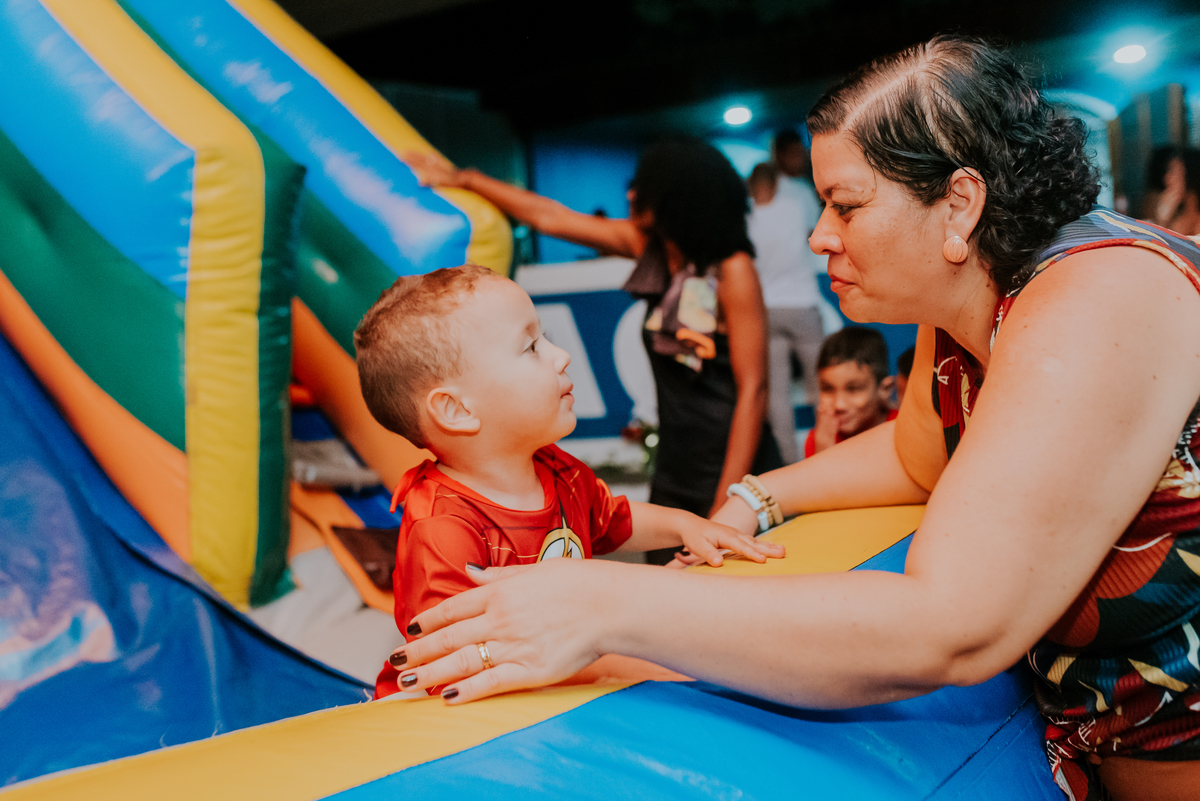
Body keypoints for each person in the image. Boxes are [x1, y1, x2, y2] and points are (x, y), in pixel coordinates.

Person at [390, 36, 1200, 801]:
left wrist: (602, 604)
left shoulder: (1100, 302)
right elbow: (921, 456)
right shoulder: (965, 302)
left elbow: (950, 625)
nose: (819, 237)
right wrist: (762, 492)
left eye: (846, 206)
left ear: (959, 203)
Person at [354, 265, 781, 698]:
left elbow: (613, 520)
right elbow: (461, 660)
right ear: (457, 411)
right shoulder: (443, 529)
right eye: (532, 347)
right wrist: (622, 663)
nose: (562, 356)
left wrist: (688, 526)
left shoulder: (556, 469)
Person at [406, 139, 782, 546]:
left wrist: (729, 499)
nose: (631, 193)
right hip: (677, 462)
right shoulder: (653, 249)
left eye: (644, 185)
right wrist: (464, 179)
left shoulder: (732, 269)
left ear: (678, 197)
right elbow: (551, 218)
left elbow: (753, 390)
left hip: (733, 461)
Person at [746, 162, 826, 464]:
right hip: (802, 305)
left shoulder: (747, 218)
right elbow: (814, 233)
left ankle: (791, 462)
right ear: (777, 184)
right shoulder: (794, 206)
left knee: (777, 396)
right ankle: (825, 454)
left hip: (767, 310)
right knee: (821, 386)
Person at [804, 327, 896, 458]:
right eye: (828, 389)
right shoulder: (820, 439)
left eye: (853, 389)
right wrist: (823, 453)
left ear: (885, 389)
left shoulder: (905, 432)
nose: (839, 405)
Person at [1143, 145, 1200, 237]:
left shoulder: (1194, 223)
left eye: (1174, 172)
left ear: (1191, 176)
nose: (1167, 177)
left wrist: (1163, 221)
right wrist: (1163, 220)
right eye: (1168, 171)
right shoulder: (1176, 217)